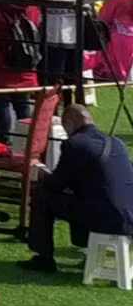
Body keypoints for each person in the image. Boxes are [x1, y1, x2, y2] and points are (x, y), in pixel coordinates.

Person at [21, 101, 133, 273]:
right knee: (85, 200)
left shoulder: (75, 144)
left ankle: (43, 257)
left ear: (69, 124)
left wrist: (43, 174)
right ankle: (88, 247)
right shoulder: (116, 143)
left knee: (42, 194)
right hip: (128, 217)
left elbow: (56, 185)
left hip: (104, 217)